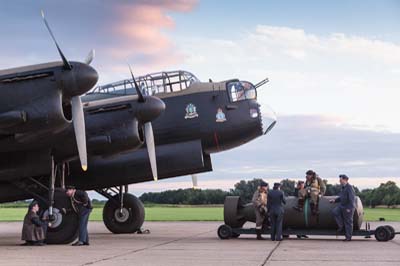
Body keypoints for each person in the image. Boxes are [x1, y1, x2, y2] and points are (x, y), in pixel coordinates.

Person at [330, 174, 356, 241]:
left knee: (348, 222)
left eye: (341, 180)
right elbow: (341, 197)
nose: (339, 181)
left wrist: (349, 208)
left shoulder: (350, 188)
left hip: (348, 207)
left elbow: (352, 199)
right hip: (342, 206)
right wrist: (334, 200)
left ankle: (348, 237)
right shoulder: (343, 187)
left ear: (345, 180)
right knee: (335, 212)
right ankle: (341, 225)